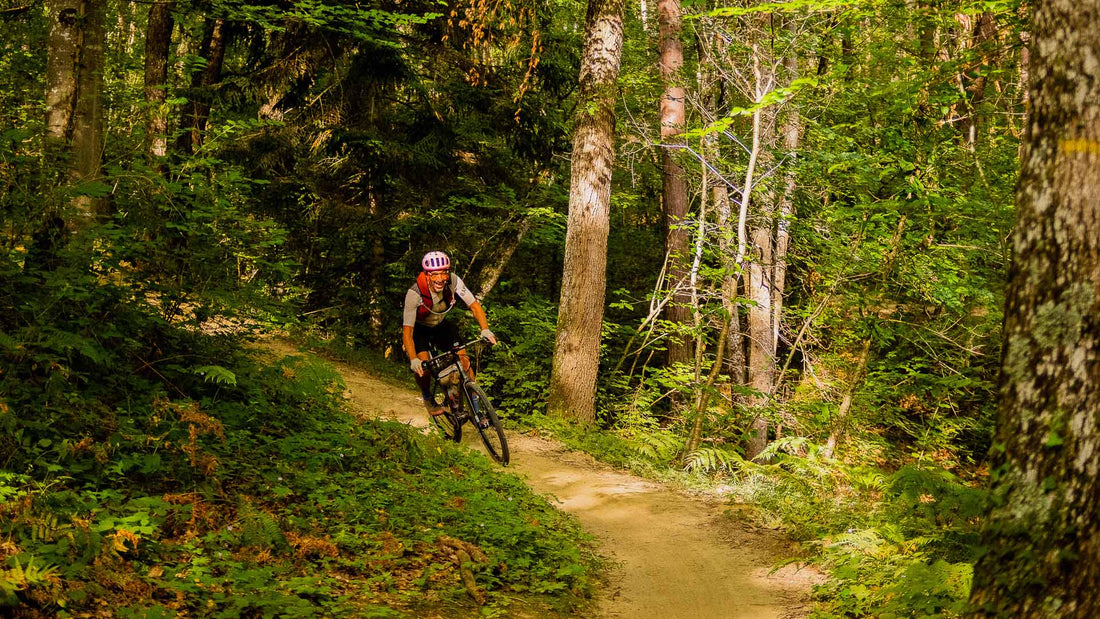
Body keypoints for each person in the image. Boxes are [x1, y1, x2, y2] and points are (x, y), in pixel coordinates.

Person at [402, 250, 497, 416]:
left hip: (441, 326)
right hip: (420, 330)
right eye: (435, 274)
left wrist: (485, 329)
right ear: (427, 274)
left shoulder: (453, 281)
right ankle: (428, 397)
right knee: (423, 368)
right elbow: (407, 332)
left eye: (444, 272)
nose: (440, 278)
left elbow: (474, 306)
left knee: (464, 362)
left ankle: (476, 408)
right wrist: (413, 359)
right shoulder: (414, 294)